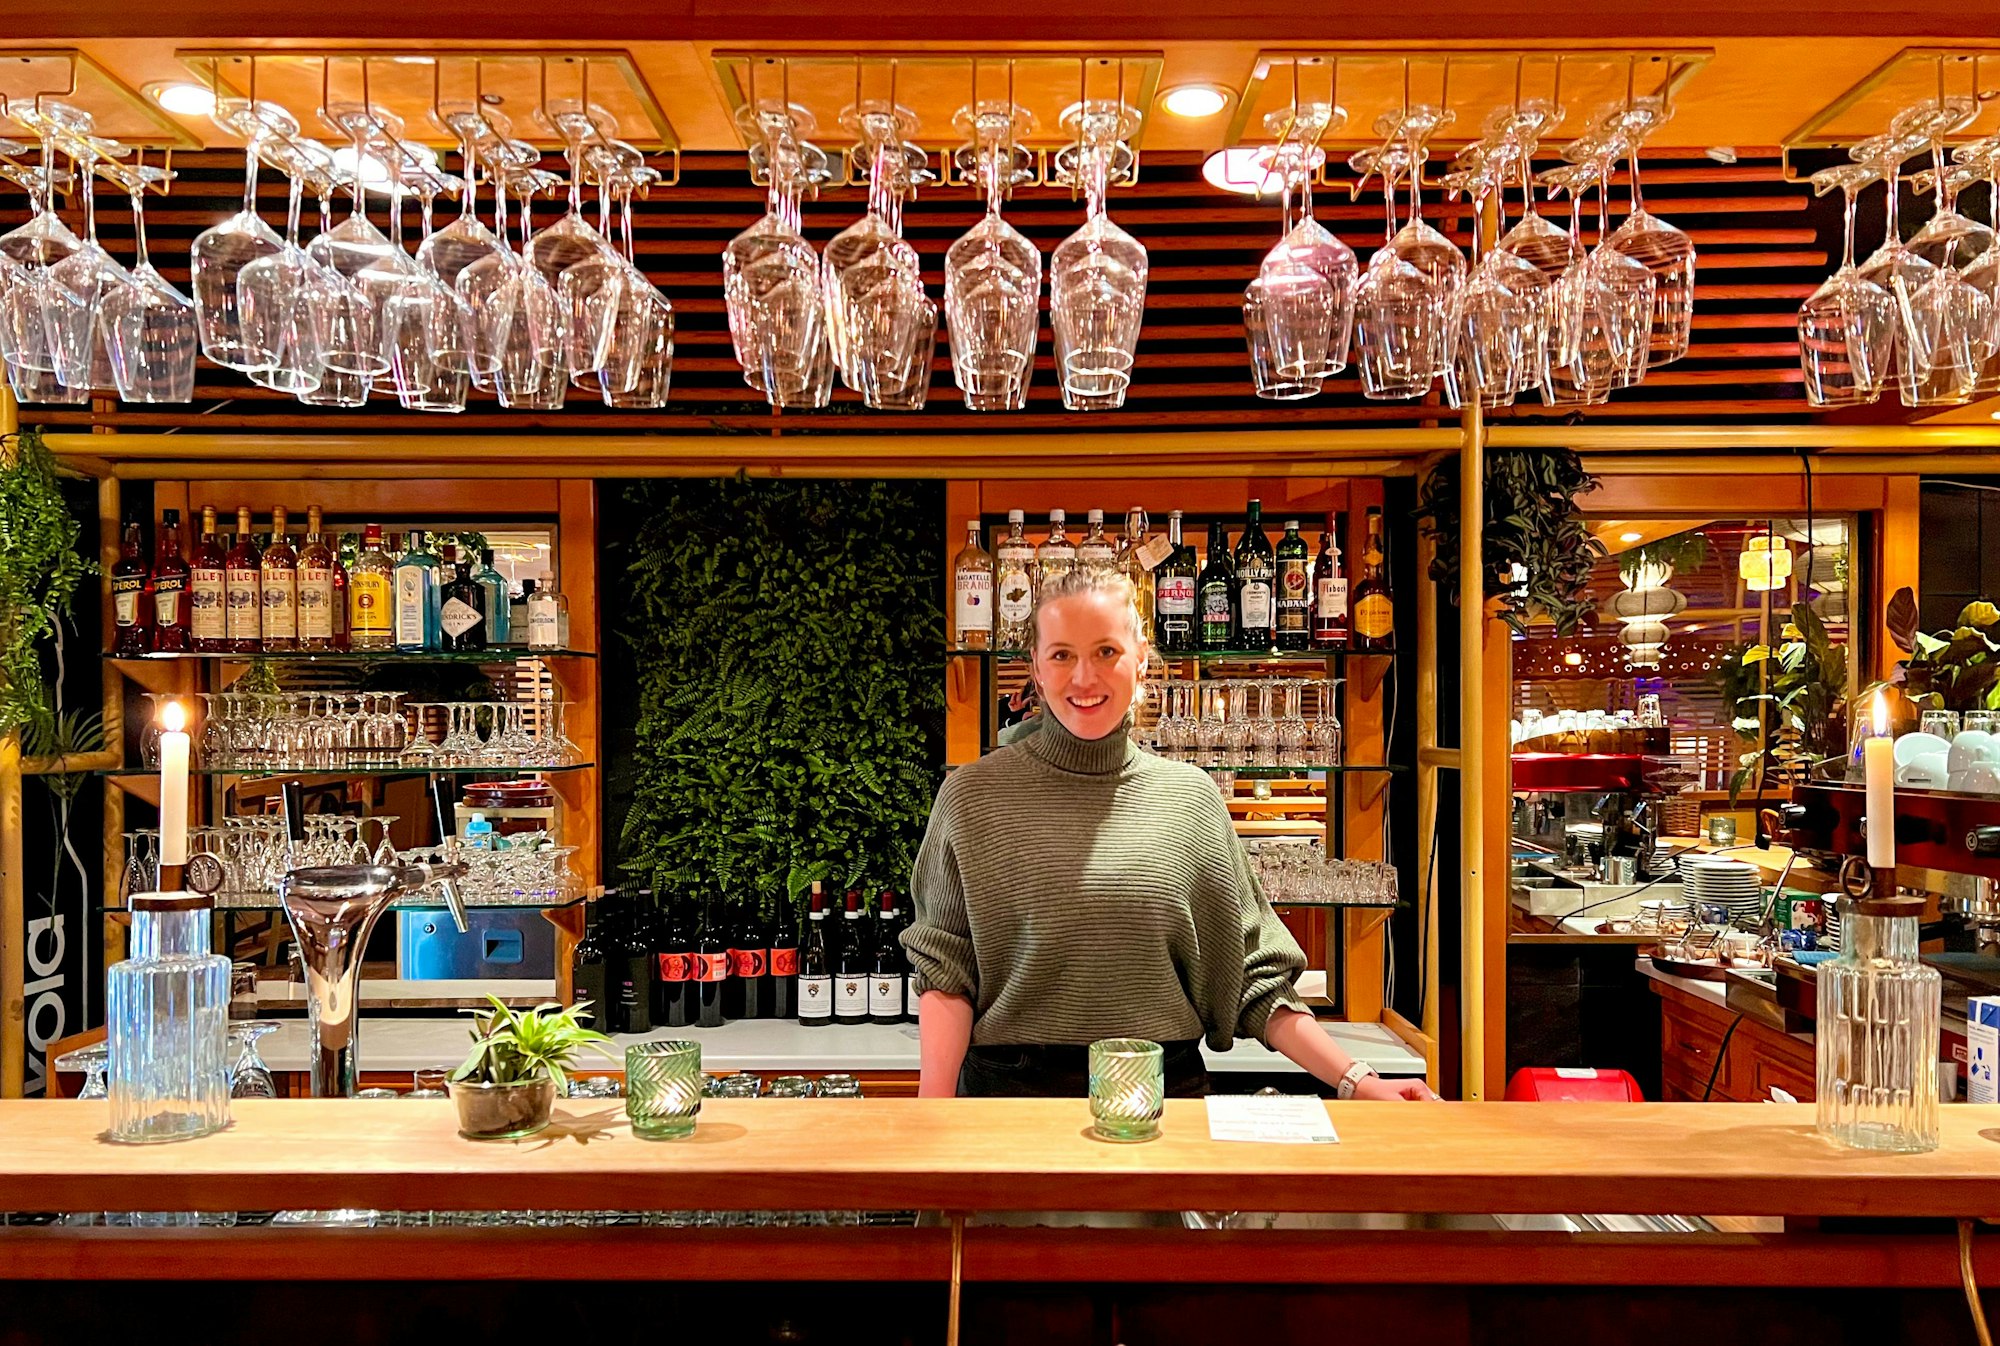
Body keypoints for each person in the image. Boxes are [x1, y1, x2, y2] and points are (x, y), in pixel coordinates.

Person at [902, 566, 1435, 1102]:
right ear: (1036, 671)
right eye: (1062, 654)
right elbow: (947, 974)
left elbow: (1252, 975)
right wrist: (933, 1117)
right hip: (1009, 1103)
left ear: (1142, 661)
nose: (1084, 677)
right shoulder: (972, 797)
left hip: (1164, 1101)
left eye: (1106, 652)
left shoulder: (1189, 799)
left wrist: (1357, 1082)